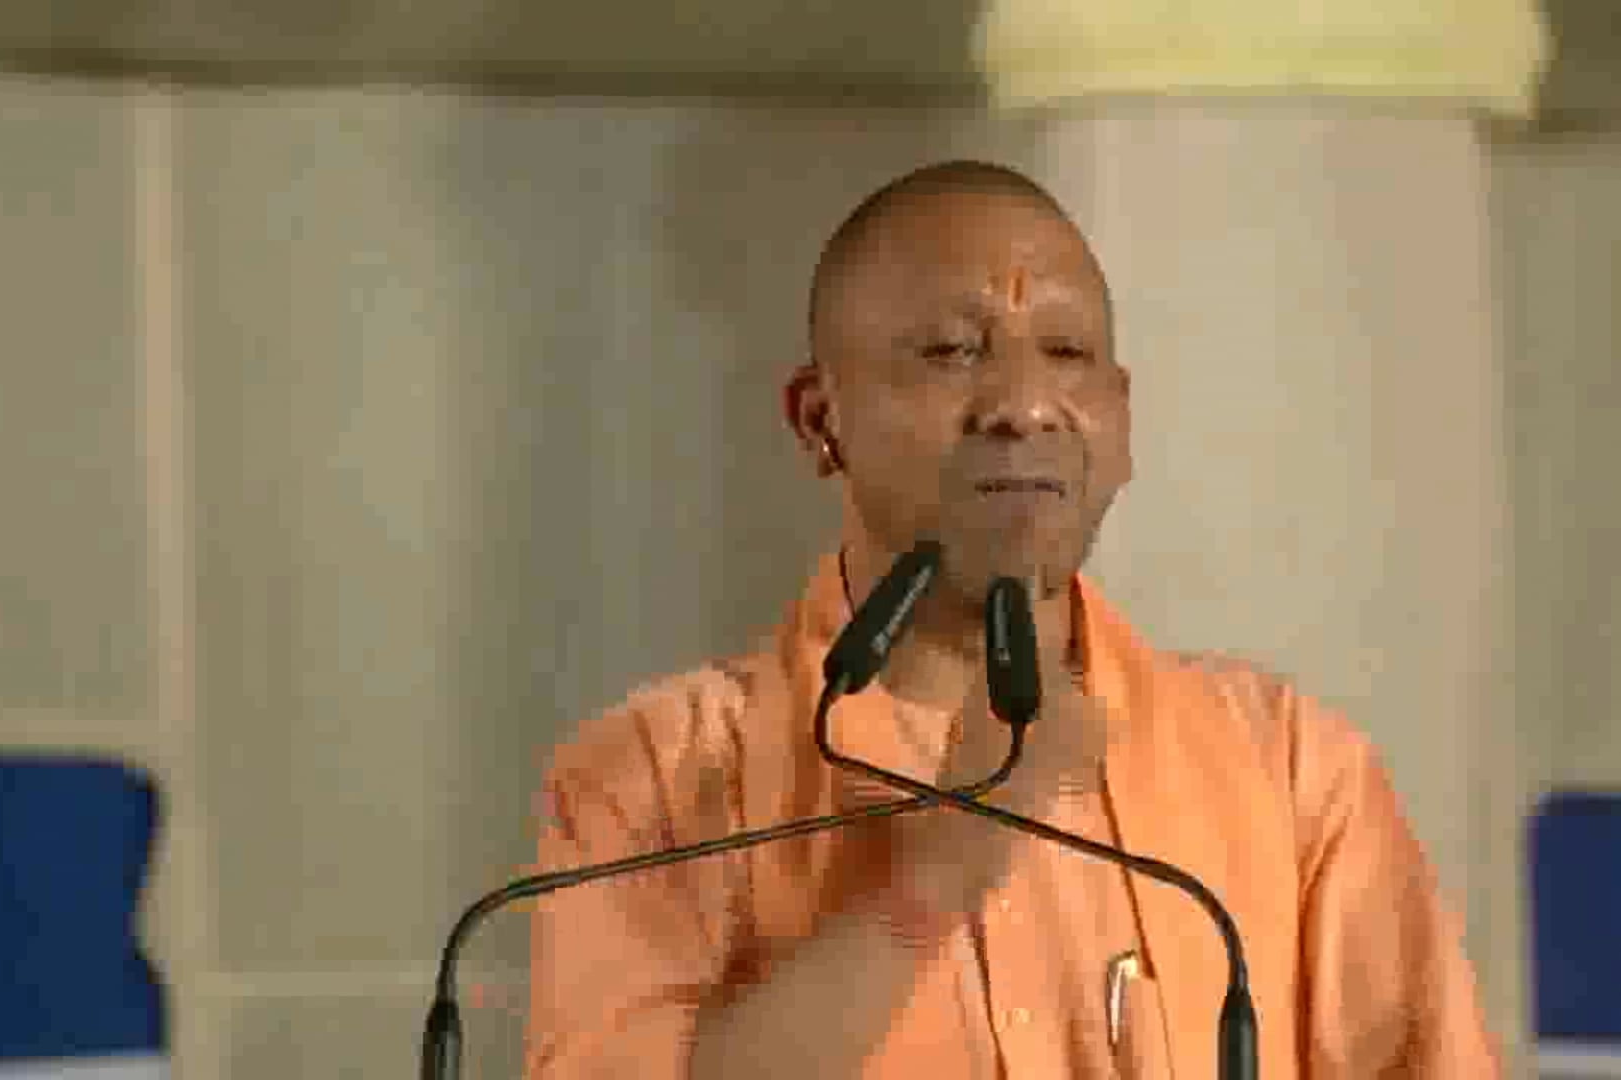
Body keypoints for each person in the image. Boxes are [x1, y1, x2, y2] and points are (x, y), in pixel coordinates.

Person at [522, 160, 1499, 1078]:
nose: (1026, 405)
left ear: (1121, 420)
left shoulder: (1288, 775)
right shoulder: (653, 780)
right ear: (820, 419)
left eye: (1067, 353)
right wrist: (931, 884)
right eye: (953, 351)